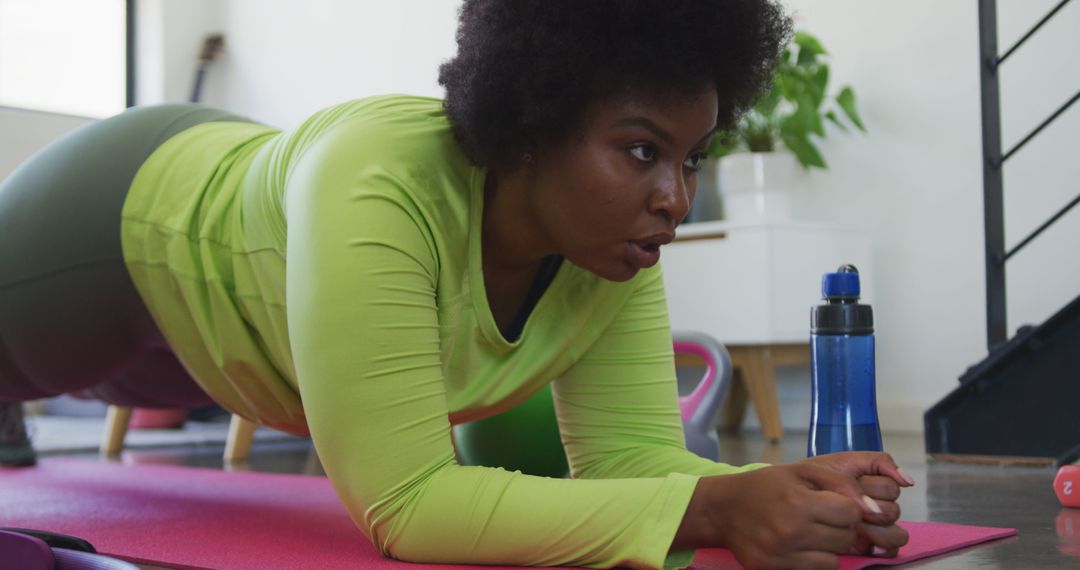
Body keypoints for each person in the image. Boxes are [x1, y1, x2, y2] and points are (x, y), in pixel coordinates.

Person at [0, 1, 914, 568]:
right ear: (533, 123)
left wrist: (779, 489)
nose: (674, 197)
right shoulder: (383, 179)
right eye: (641, 150)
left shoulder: (614, 243)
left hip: (231, 345)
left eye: (691, 157)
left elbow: (633, 465)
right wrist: (717, 505)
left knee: (127, 383)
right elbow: (410, 507)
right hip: (123, 227)